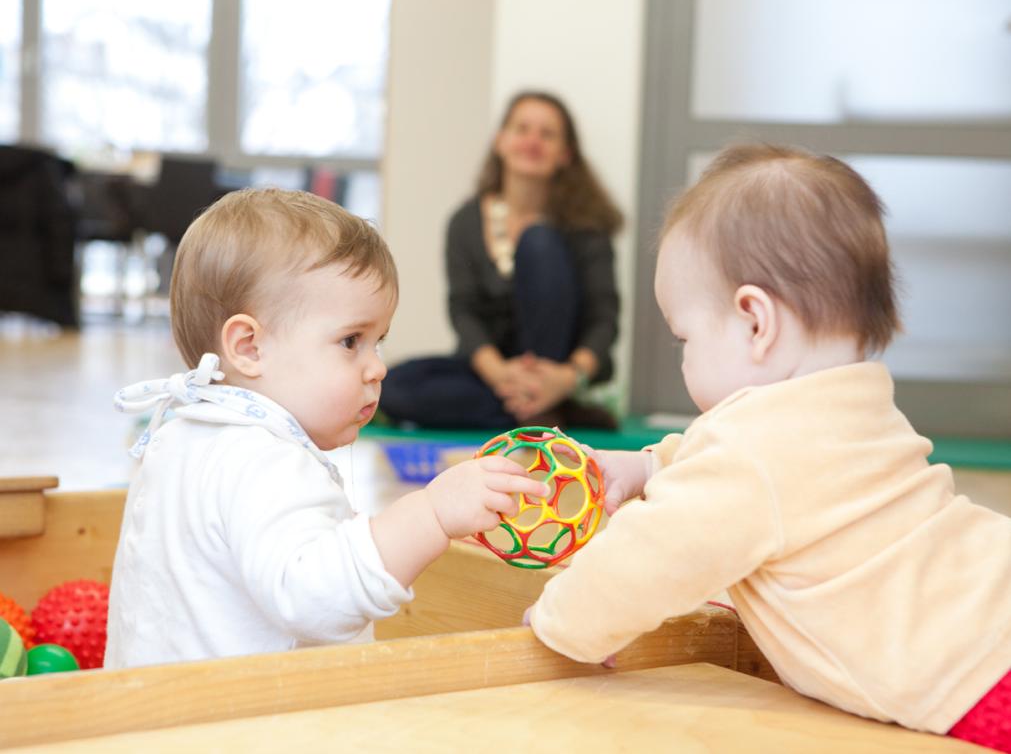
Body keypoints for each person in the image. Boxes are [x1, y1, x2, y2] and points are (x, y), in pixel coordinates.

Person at [525, 144, 1011, 750]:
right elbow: (747, 474)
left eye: (684, 339)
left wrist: (560, 623)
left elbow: (647, 559)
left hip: (977, 677)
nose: (684, 359)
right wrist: (650, 465)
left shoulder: (751, 457)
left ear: (756, 322)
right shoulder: (856, 406)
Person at [105, 189, 548, 669]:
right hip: (248, 711)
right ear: (249, 347)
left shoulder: (177, 437)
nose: (377, 367)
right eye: (351, 341)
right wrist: (432, 514)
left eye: (378, 341)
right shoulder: (264, 461)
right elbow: (315, 600)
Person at [380, 91, 623, 430]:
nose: (532, 141)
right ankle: (542, 411)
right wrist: (498, 373)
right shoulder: (466, 221)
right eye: (522, 129)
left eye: (547, 134)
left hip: (561, 374)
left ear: (565, 154)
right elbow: (462, 310)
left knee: (538, 240)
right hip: (493, 372)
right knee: (393, 386)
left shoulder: (586, 225)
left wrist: (566, 378)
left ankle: (545, 400)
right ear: (501, 141)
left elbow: (604, 319)